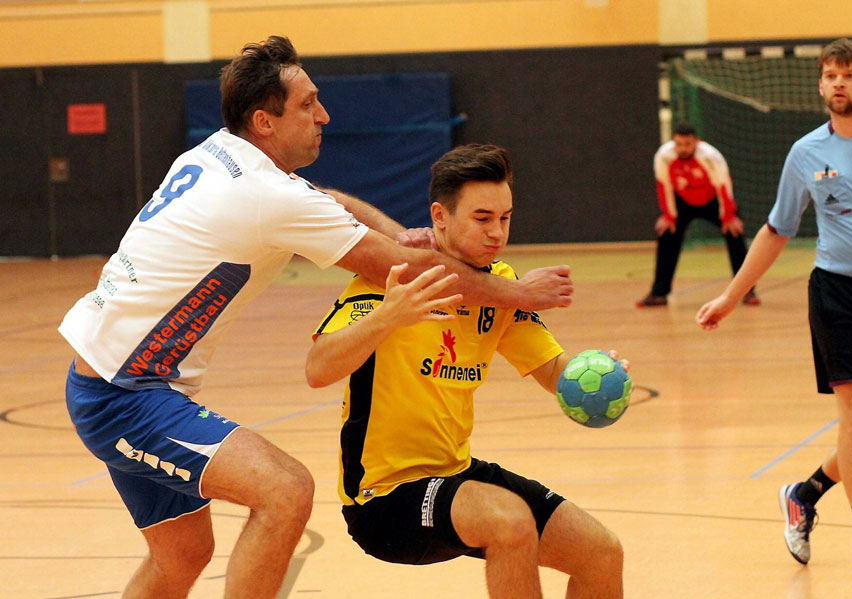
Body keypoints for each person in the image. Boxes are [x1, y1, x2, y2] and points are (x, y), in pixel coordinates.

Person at [58, 37, 575, 599]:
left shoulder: (218, 154)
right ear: (265, 122)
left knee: (182, 554)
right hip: (125, 394)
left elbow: (331, 201)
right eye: (307, 105)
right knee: (285, 490)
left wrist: (398, 233)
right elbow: (404, 270)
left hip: (109, 377)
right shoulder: (269, 197)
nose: (323, 115)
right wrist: (518, 293)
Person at [306, 144, 624, 599]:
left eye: (505, 217)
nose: (497, 232)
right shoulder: (392, 279)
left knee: (600, 552)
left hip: (456, 474)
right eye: (482, 218)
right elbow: (317, 369)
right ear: (440, 216)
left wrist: (600, 377)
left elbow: (553, 371)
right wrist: (388, 317)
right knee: (510, 522)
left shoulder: (499, 286)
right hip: (384, 497)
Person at [696, 38, 852, 580]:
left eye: (848, 75)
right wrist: (731, 296)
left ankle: (804, 494)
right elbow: (775, 230)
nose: (838, 83)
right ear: (821, 85)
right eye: (830, 75)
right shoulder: (805, 152)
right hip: (835, 293)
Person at [636, 122, 759, 307]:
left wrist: (728, 216)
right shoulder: (664, 156)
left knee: (735, 233)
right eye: (679, 144)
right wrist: (669, 215)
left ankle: (746, 290)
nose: (683, 148)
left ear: (696, 142)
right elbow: (663, 185)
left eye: (688, 144)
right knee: (666, 234)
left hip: (713, 201)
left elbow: (723, 185)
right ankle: (659, 293)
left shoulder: (709, 156)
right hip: (683, 202)